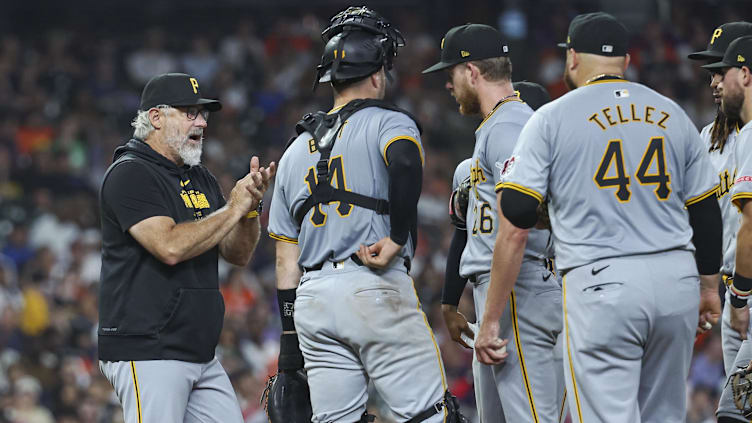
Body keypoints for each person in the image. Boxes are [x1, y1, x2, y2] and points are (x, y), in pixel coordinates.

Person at [477, 12, 723, 422]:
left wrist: (558, 203)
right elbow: (705, 210)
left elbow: (517, 210)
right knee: (664, 415)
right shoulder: (671, 112)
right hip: (676, 280)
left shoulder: (551, 117)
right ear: (625, 63)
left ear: (572, 58)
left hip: (603, 283)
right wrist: (709, 287)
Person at [267, 6, 465, 423]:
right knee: (431, 416)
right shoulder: (387, 122)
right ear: (377, 75)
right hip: (371, 285)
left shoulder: (291, 153)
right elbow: (407, 163)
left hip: (313, 301)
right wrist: (395, 237)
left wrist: (289, 345)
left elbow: (286, 260)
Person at [97, 72, 275, 423]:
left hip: (200, 352)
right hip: (147, 350)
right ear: (156, 118)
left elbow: (237, 254)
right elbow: (169, 246)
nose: (203, 122)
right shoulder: (130, 173)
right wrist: (233, 208)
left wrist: (250, 209)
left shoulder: (200, 177)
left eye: (202, 113)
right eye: (190, 112)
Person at [424, 25, 565, 423]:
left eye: (450, 74)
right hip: (504, 289)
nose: (448, 86)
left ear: (471, 71)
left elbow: (526, 217)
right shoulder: (500, 124)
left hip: (518, 289)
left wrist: (489, 321)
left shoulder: (508, 125)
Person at [688, 21, 752, 423]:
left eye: (719, 70)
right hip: (732, 291)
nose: (713, 81)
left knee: (733, 411)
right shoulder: (707, 137)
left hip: (744, 291)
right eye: (709, 72)